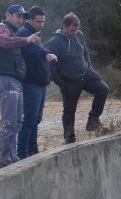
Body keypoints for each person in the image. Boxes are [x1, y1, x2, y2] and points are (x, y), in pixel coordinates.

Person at [0, 4, 41, 169]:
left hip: (15, 81)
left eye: (22, 17)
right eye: (17, 16)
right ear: (8, 15)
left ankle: (10, 156)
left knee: (17, 122)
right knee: (9, 122)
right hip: (5, 79)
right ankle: (3, 160)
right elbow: (4, 42)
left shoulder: (13, 32)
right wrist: (27, 40)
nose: (20, 19)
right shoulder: (2, 28)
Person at [47, 12, 109, 143]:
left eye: (76, 29)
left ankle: (93, 120)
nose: (74, 32)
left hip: (85, 73)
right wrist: (61, 83)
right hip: (69, 80)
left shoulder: (79, 35)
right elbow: (51, 66)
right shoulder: (55, 42)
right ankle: (69, 138)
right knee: (69, 110)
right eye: (71, 30)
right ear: (64, 26)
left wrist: (91, 70)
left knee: (103, 90)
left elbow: (85, 53)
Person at [16, 6, 58, 159]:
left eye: (43, 21)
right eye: (38, 21)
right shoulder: (24, 34)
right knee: (29, 120)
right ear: (30, 19)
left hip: (39, 83)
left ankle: (32, 151)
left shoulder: (34, 34)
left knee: (36, 119)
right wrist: (47, 53)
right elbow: (34, 51)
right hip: (30, 83)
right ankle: (21, 154)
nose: (41, 24)